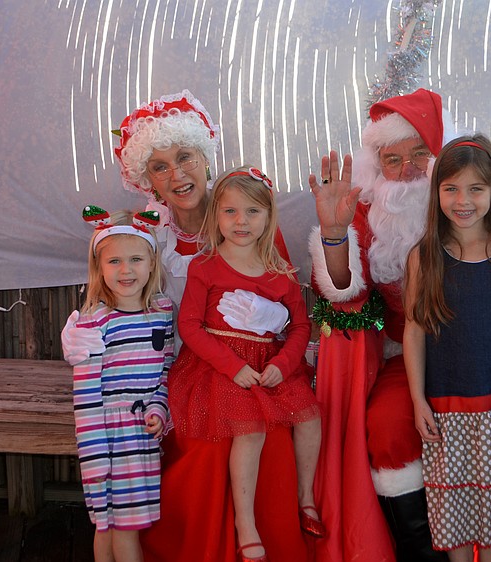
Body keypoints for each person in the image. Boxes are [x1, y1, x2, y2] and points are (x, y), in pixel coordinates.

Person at [307, 88, 491, 562]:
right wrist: (335, 234)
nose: (407, 170)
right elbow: (345, 293)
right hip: (422, 358)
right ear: (376, 163)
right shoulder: (367, 209)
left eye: (420, 155)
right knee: (387, 427)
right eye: (392, 159)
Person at [62, 90, 311, 562]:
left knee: (268, 435)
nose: (176, 174)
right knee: (204, 444)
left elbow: (287, 299)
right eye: (160, 166)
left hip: (252, 364)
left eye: (184, 158)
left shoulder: (245, 216)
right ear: (147, 180)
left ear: (204, 157)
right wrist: (83, 330)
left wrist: (273, 318)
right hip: (175, 369)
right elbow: (114, 289)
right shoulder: (148, 234)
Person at [168, 167, 324, 562]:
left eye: (253, 212)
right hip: (220, 367)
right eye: (231, 212)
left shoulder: (280, 271)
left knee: (309, 416)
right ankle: (245, 524)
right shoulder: (205, 267)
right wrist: (231, 366)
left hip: (268, 365)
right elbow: (189, 326)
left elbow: (300, 325)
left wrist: (286, 364)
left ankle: (306, 498)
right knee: (250, 430)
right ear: (215, 216)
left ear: (269, 216)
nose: (242, 222)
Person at [404, 135, 491, 561]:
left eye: (475, 189)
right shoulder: (425, 257)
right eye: (451, 188)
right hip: (448, 411)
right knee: (457, 519)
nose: (462, 200)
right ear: (437, 193)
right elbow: (414, 330)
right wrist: (417, 401)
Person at [73, 207, 174, 562]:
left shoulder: (162, 313)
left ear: (151, 263)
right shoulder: (93, 323)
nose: (126, 270)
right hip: (107, 438)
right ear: (99, 267)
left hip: (142, 436)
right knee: (114, 527)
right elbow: (85, 399)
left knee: (117, 526)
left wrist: (160, 411)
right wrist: (94, 458)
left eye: (135, 259)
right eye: (114, 261)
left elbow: (165, 373)